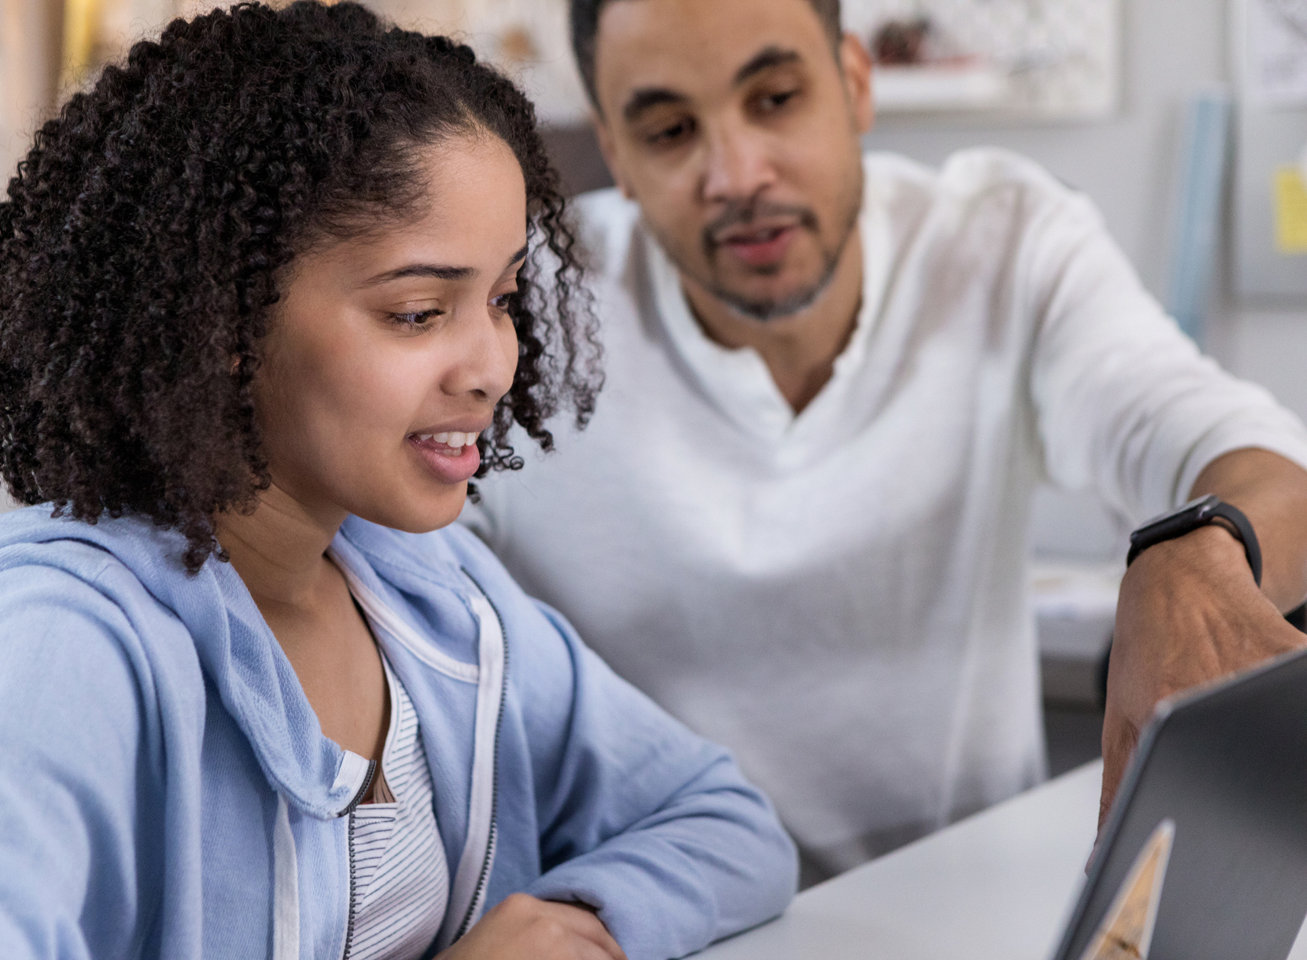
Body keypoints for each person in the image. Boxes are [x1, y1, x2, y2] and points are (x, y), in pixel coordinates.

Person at [0, 4, 797, 957]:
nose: (491, 365)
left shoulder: (433, 595)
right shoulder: (58, 637)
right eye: (418, 312)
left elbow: (723, 819)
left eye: (502, 300)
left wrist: (580, 924)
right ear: (224, 325)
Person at [461, 0, 1307, 882]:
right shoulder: (518, 310)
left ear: (856, 85)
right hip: (662, 919)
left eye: (777, 98)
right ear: (619, 154)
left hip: (960, 915)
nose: (738, 173)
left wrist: (1201, 551)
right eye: (671, 130)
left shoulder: (1004, 242)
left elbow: (1250, 455)